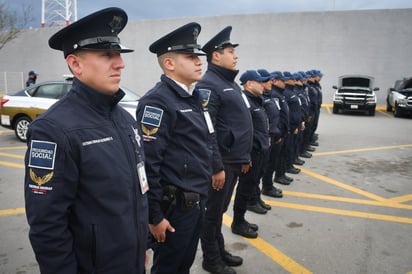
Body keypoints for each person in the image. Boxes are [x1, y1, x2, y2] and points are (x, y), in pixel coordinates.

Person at [24, 7, 148, 274]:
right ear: (75, 64)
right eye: (107, 55)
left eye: (118, 54)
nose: (120, 63)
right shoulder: (53, 130)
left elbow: (136, 194)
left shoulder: (125, 120)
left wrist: (141, 248)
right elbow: (48, 226)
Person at [135, 22, 214, 274]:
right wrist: (154, 217)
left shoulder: (193, 96)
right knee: (169, 267)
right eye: (190, 57)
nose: (199, 61)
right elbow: (148, 164)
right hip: (174, 208)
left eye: (198, 56)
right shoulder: (157, 102)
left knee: (183, 265)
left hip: (196, 201)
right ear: (169, 64)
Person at [197, 26, 253, 274]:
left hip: (233, 160)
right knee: (212, 214)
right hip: (222, 164)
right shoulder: (210, 85)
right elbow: (209, 131)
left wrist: (244, 156)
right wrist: (216, 167)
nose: (235, 55)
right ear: (215, 56)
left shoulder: (227, 83)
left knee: (219, 212)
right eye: (230, 51)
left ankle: (218, 250)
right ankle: (211, 259)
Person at [231, 70, 271, 239]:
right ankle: (238, 222)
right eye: (259, 82)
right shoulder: (245, 102)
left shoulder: (256, 101)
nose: (263, 85)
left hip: (260, 151)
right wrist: (246, 156)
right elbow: (243, 131)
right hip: (251, 154)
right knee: (244, 188)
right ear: (249, 84)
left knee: (252, 185)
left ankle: (241, 219)